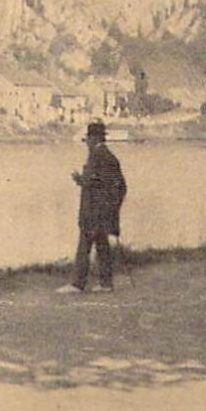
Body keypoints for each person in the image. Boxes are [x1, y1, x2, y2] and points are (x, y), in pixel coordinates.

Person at [57, 120, 127, 294]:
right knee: (102, 246)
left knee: (85, 246)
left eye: (88, 139)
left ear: (94, 139)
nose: (86, 143)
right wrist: (82, 181)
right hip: (99, 212)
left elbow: (112, 186)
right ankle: (105, 284)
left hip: (94, 213)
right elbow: (102, 183)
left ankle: (77, 284)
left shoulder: (100, 157)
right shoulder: (105, 156)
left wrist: (107, 207)